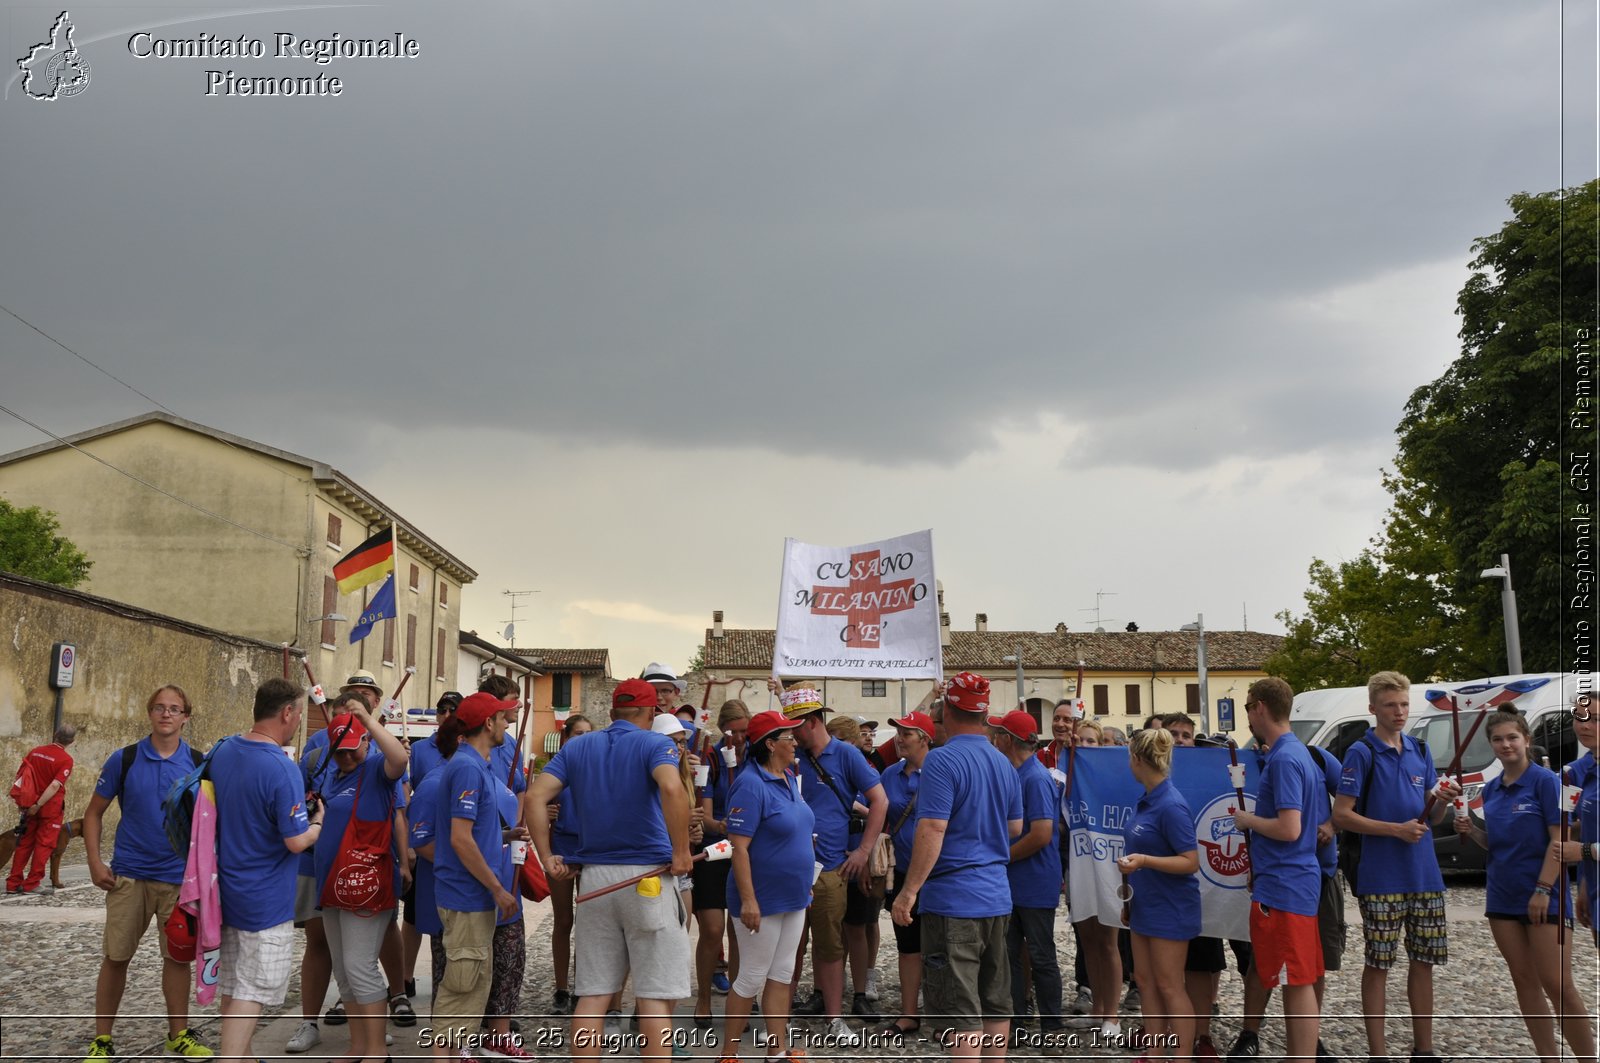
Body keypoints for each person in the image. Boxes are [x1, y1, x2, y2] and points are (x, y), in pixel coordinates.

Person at [528, 678, 693, 1063]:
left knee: (594, 994)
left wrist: (547, 855)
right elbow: (672, 789)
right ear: (652, 713)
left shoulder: (578, 745)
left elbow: (536, 796)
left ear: (613, 711)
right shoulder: (657, 743)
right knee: (654, 994)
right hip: (647, 876)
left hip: (595, 879)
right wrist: (682, 851)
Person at [892, 672, 1023, 1061]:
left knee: (959, 1010)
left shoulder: (942, 760)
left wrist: (908, 891)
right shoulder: (1001, 761)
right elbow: (1015, 826)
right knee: (995, 1000)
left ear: (947, 708)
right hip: (997, 895)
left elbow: (932, 827)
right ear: (982, 713)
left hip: (953, 901)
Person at [1330, 670, 1458, 1063]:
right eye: (1390, 705)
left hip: (1425, 876)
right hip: (1380, 876)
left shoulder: (1420, 750)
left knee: (1424, 962)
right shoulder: (1361, 753)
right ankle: (1378, 1053)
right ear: (1373, 708)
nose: (1399, 712)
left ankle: (1424, 1048)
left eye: (1403, 704)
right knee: (1379, 963)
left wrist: (1443, 800)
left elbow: (1432, 818)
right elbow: (1341, 815)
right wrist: (1393, 830)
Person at [1456, 710, 1597, 1063]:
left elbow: (1559, 840)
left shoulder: (1549, 782)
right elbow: (1498, 844)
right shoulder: (1491, 790)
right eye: (1498, 740)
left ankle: (1587, 1058)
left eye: (1512, 738)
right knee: (1524, 980)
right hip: (1503, 895)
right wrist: (1472, 832)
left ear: (1526, 740)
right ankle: (1548, 1057)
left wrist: (1543, 888)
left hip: (1544, 896)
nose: (1506, 745)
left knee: (1558, 984)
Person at [80, 686, 212, 1061]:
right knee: (116, 957)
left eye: (174, 709)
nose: (166, 714)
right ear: (149, 713)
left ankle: (179, 1034)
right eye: (159, 707)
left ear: (186, 717)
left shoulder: (200, 763)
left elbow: (209, 823)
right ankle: (102, 1039)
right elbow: (93, 813)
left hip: (177, 880)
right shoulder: (125, 759)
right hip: (129, 876)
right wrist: (93, 862)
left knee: (177, 959)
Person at [209, 678, 322, 1063]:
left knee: (235, 983)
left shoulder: (223, 751)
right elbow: (294, 840)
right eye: (299, 714)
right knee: (253, 990)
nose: (299, 722)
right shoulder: (280, 766)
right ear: (287, 712)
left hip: (226, 889)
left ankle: (243, 1055)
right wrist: (318, 825)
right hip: (266, 897)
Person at [778, 681, 886, 1046]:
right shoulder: (788, 753)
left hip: (828, 869)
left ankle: (834, 1019)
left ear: (810, 722)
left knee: (829, 947)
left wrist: (862, 851)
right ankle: (781, 1016)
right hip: (790, 867)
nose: (789, 734)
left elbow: (879, 802)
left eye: (793, 726)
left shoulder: (846, 754)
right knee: (788, 946)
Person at [1230, 678, 1325, 1063]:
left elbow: (1289, 828)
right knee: (1298, 978)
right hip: (1295, 882)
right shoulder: (1294, 752)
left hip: (1286, 884)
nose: (1248, 715)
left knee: (1295, 980)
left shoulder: (1285, 759)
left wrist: (1247, 820)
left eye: (1248, 706)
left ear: (1260, 708)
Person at [716, 710, 816, 1063]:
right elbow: (738, 847)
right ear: (771, 744)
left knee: (782, 973)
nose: (796, 740)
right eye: (789, 737)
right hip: (763, 898)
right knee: (752, 976)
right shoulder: (750, 783)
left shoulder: (788, 777)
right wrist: (748, 900)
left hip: (795, 896)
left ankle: (778, 1048)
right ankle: (729, 1052)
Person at [430, 690, 525, 1061]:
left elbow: (472, 831)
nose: (507, 723)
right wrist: (498, 889)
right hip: (467, 897)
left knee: (470, 988)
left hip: (473, 897)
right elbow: (459, 839)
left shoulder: (477, 764)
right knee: (459, 991)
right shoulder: (468, 766)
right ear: (488, 723)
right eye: (503, 717)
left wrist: (505, 835)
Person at [314, 702, 410, 1063]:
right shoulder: (331, 773)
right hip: (331, 883)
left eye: (355, 748)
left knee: (360, 965)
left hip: (366, 885)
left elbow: (399, 759)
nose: (348, 757)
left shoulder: (375, 770)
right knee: (344, 969)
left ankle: (376, 1050)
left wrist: (368, 719)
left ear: (366, 742)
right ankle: (358, 1045)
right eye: (341, 751)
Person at [1115, 726, 1198, 1063]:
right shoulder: (1148, 799)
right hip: (1145, 904)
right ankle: (1154, 1053)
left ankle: (1180, 1057)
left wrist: (1145, 860)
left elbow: (1191, 861)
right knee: (1146, 981)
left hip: (1171, 907)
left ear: (1137, 759)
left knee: (1169, 985)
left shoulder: (1171, 805)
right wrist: (1130, 902)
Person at [987, 708, 1064, 1042]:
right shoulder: (1017, 774)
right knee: (1009, 957)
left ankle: (1052, 1028)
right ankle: (1018, 1024)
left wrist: (1001, 858)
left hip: (1034, 883)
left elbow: (1042, 833)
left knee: (1041, 957)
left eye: (996, 734)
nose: (991, 739)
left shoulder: (1035, 778)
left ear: (1007, 740)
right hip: (1017, 882)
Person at [876, 709, 936, 1044]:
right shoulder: (889, 775)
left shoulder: (941, 772)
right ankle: (909, 1012)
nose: (899, 738)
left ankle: (944, 1012)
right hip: (901, 872)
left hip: (938, 874)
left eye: (907, 733)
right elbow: (876, 811)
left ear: (925, 739)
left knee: (941, 944)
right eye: (898, 731)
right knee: (908, 945)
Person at [695, 701, 752, 1020]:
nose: (741, 737)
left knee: (741, 930)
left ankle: (737, 1002)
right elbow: (704, 815)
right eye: (735, 731)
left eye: (745, 731)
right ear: (722, 728)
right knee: (713, 929)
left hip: (746, 850)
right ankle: (703, 997)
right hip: (713, 849)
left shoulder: (757, 753)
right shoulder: (710, 757)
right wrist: (721, 826)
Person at [549, 713, 595, 1015]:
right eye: (577, 733)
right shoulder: (557, 770)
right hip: (563, 847)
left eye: (587, 733)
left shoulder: (598, 770)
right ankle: (562, 988)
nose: (583, 738)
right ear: (566, 737)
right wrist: (546, 813)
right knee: (564, 920)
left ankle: (585, 987)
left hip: (591, 850)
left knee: (590, 924)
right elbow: (535, 805)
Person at [1550, 689, 1599, 943]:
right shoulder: (1575, 772)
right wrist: (1583, 886)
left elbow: (1580, 846)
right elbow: (1576, 827)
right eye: (1580, 717)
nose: (1586, 726)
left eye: (1595, 719)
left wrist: (1583, 852)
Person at [7, 723, 76, 894]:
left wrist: (24, 803)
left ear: (55, 734)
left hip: (28, 804)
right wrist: (39, 805)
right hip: (49, 809)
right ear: (72, 741)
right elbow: (54, 786)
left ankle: (13, 883)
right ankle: (32, 883)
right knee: (44, 844)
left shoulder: (35, 751)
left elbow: (22, 777)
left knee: (24, 843)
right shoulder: (66, 760)